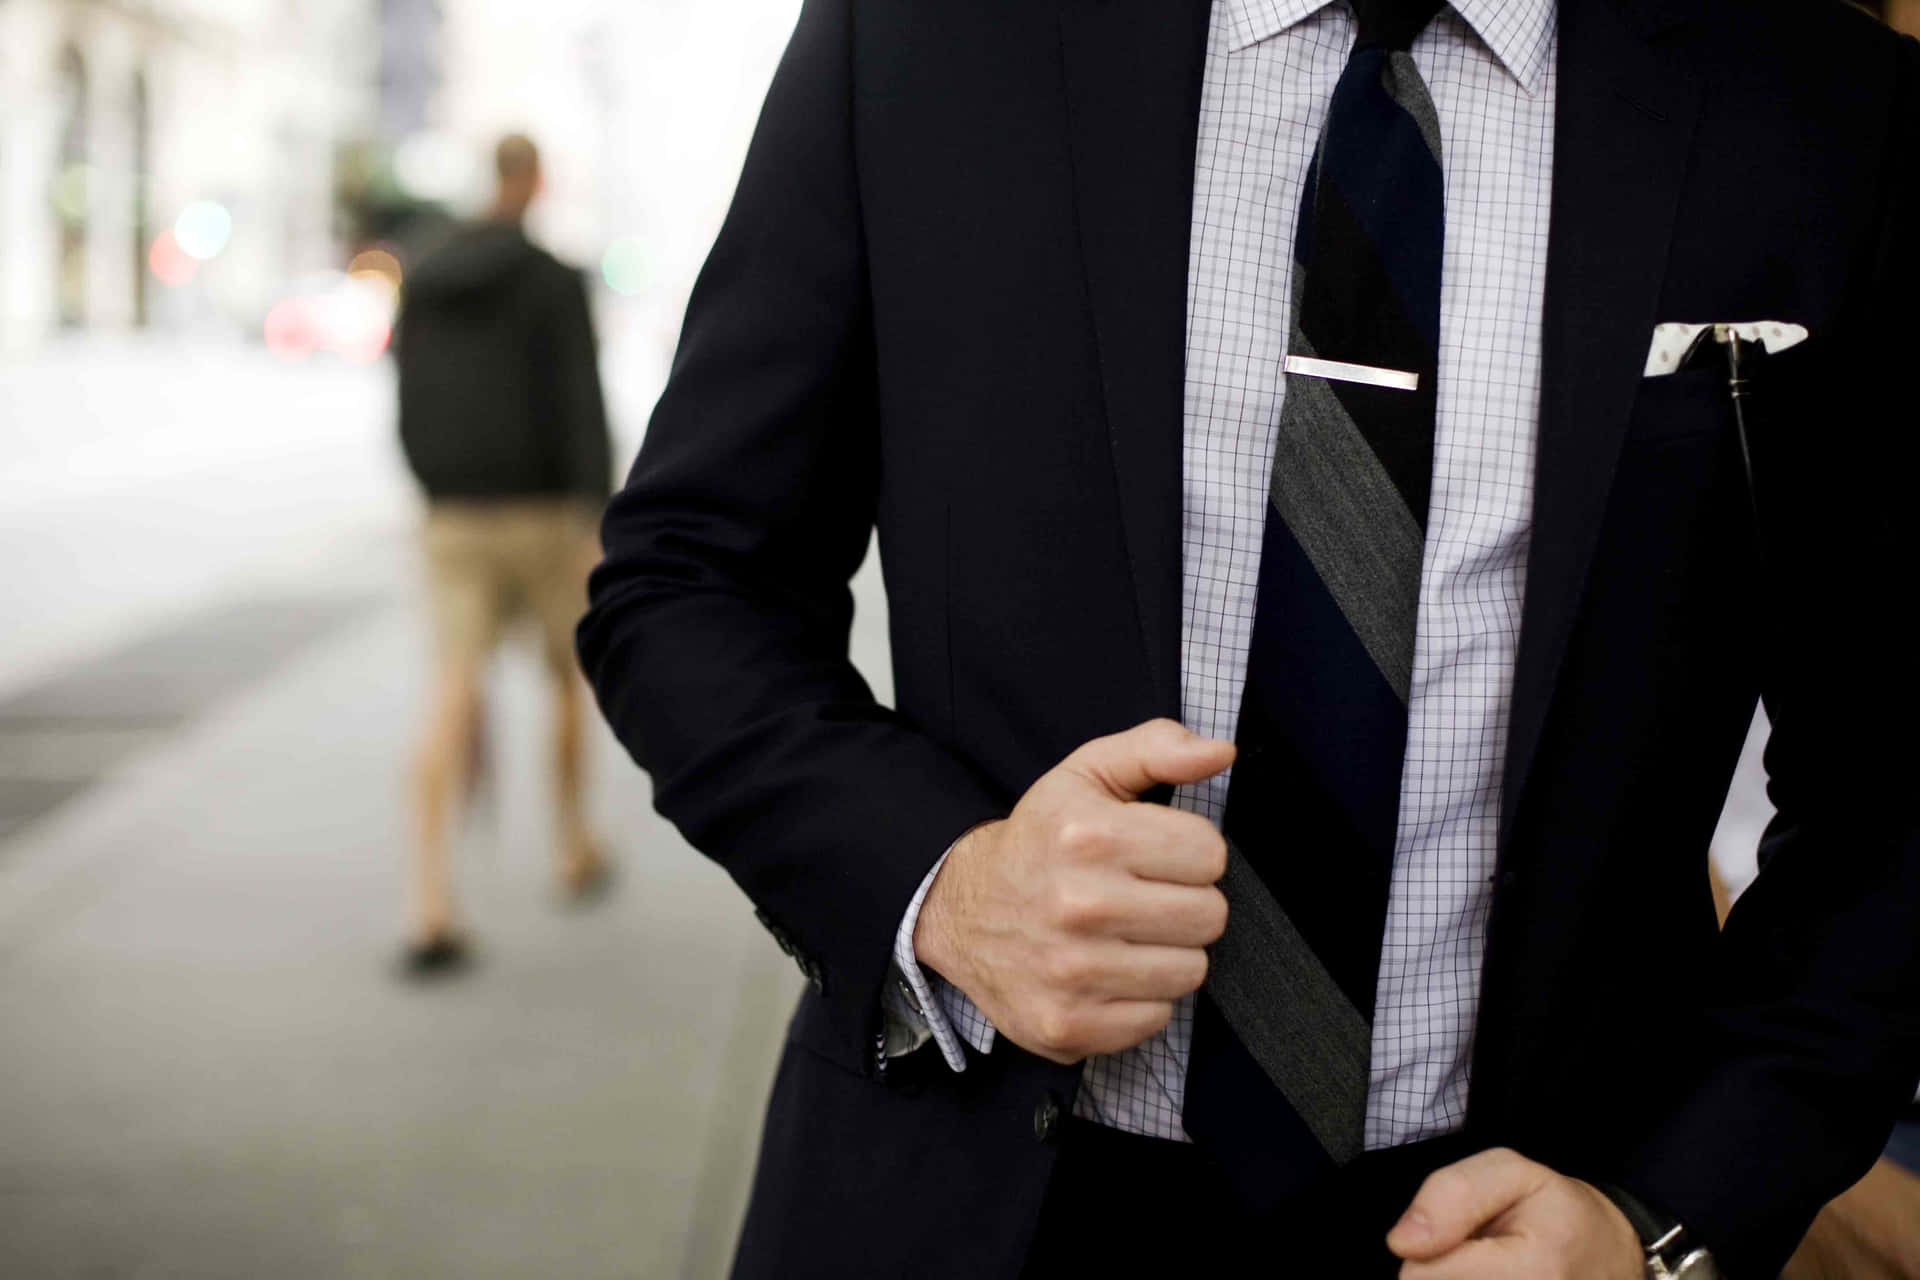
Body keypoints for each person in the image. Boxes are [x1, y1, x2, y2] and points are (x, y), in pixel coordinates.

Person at [577, 0, 1920, 1274]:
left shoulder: (1821, 102)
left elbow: (1891, 793)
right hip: (978, 1200)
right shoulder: (926, 34)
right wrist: (946, 884)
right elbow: (689, 575)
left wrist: (1666, 1223)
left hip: (1529, 1215)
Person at [394, 133, 612, 974]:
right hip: (545, 514)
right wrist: (594, 510)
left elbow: (403, 388)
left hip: (453, 513)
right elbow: (581, 400)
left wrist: (432, 481)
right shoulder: (555, 281)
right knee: (567, 678)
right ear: (538, 179)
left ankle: (429, 903)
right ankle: (571, 843)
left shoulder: (429, 273)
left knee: (450, 689)